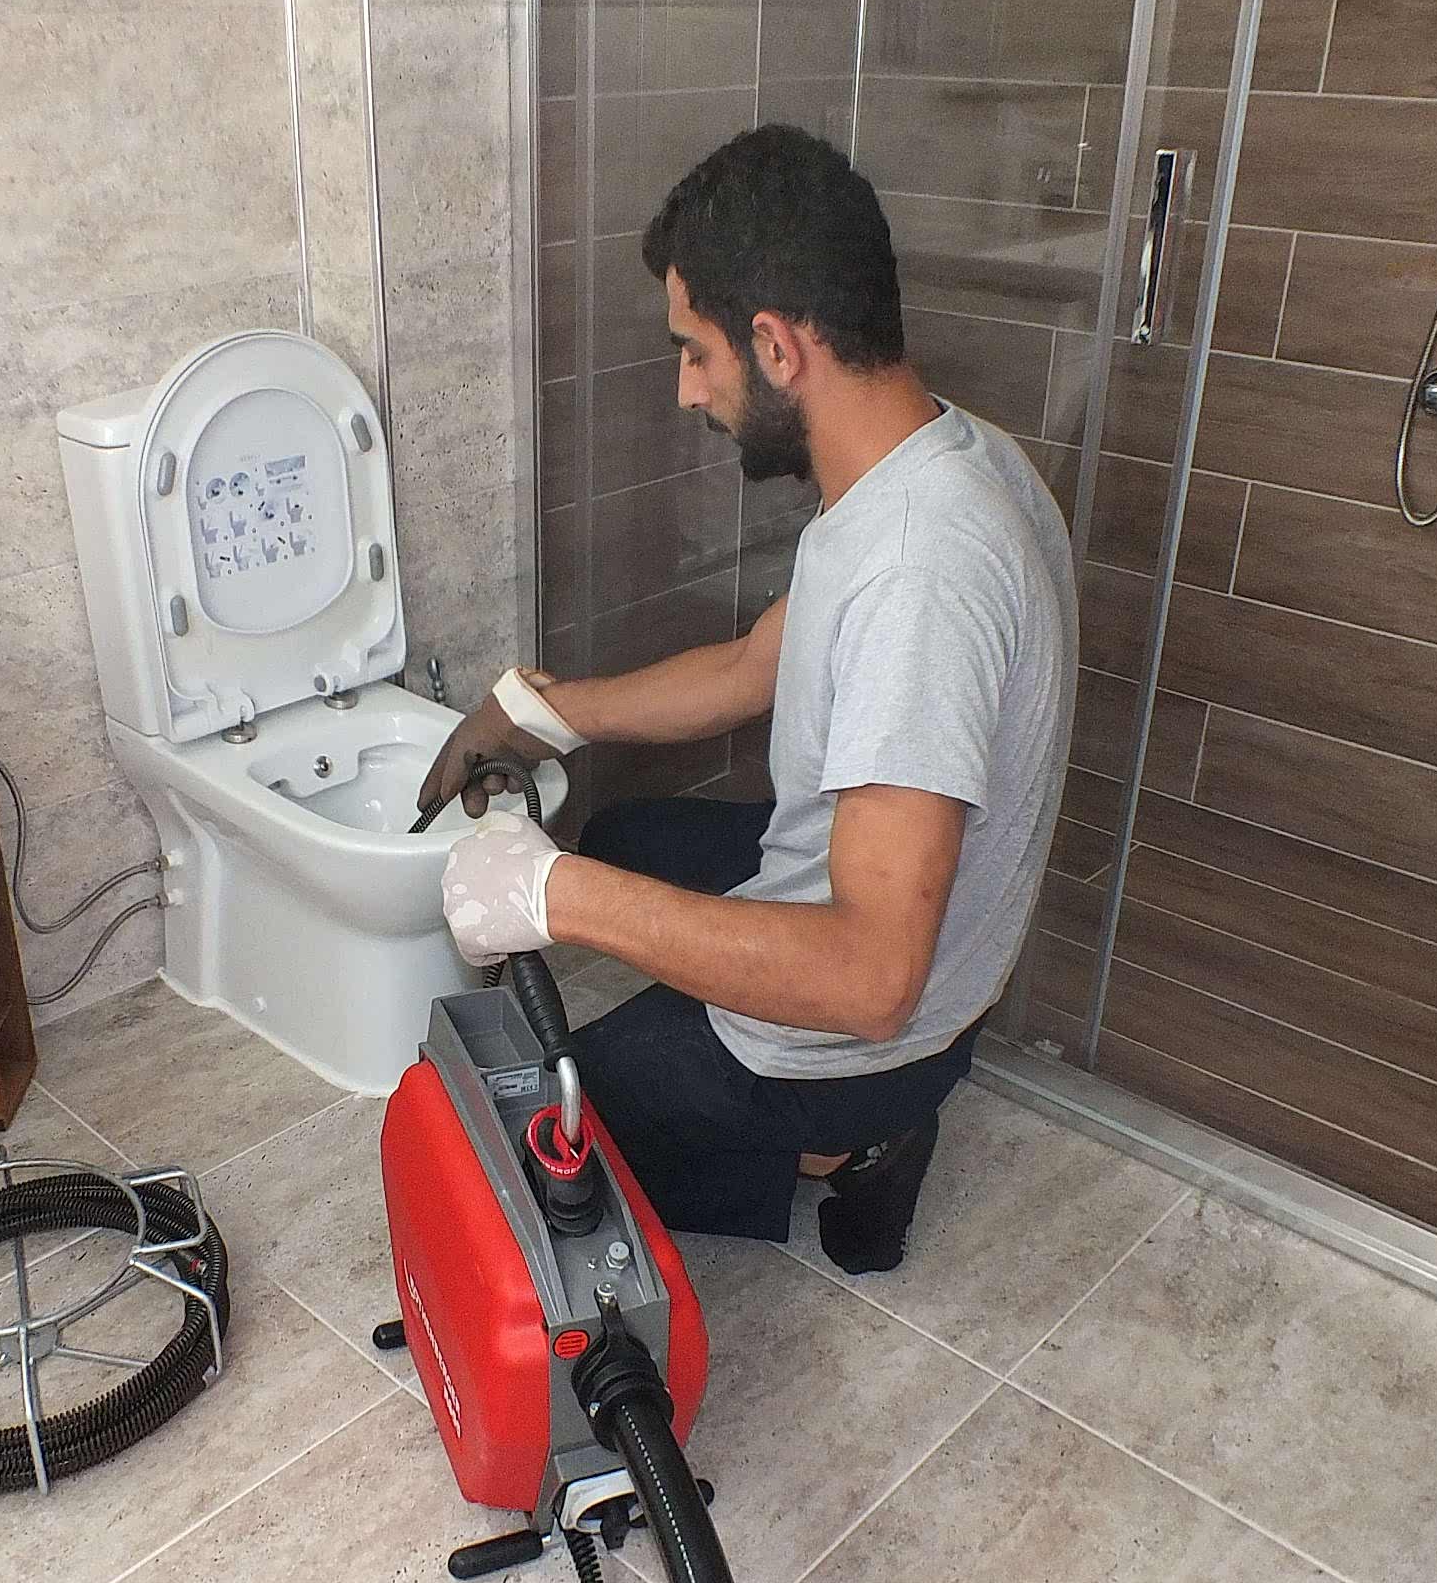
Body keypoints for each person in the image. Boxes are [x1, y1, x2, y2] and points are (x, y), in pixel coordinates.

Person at [420, 123, 1076, 1275]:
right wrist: (545, 713)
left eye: (696, 352)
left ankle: (851, 1140)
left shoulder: (919, 570)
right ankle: (829, 1124)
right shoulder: (937, 457)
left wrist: (553, 895)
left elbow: (871, 982)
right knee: (624, 835)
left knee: (508, 1162)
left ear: (776, 345)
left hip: (874, 1031)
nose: (686, 391)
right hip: (923, 930)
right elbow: (747, 668)